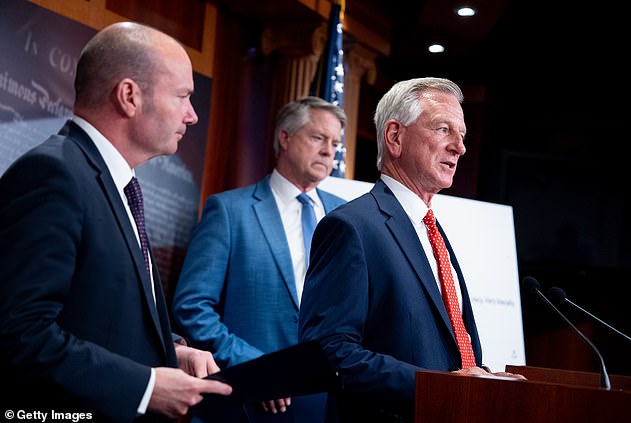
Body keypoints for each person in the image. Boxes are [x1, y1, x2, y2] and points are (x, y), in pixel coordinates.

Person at [0, 22, 232, 422]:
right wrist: (144, 387)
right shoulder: (52, 175)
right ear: (129, 96)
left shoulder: (115, 183)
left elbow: (96, 314)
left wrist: (171, 350)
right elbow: (19, 333)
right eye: (182, 96)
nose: (192, 116)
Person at [298, 77, 525, 422]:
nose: (459, 147)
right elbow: (327, 352)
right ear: (394, 136)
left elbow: (442, 353)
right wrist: (437, 386)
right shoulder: (352, 227)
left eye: (461, 135)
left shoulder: (433, 231)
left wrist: (480, 380)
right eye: (443, 129)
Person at [171, 96, 347, 422]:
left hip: (327, 406)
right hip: (247, 403)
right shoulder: (229, 211)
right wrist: (261, 370)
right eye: (318, 137)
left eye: (335, 143)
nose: (328, 151)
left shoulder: (346, 215)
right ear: (285, 137)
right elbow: (192, 307)